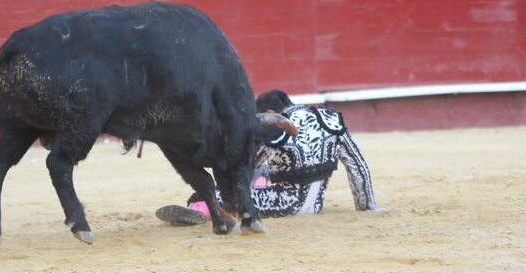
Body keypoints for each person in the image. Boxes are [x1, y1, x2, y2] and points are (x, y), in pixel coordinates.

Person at [154, 89, 377, 224]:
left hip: (285, 203)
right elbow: (357, 165)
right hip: (315, 204)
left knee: (214, 195)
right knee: (263, 174)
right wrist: (366, 205)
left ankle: (201, 211)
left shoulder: (276, 126)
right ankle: (262, 182)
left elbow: (245, 168)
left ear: (270, 114)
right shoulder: (330, 119)